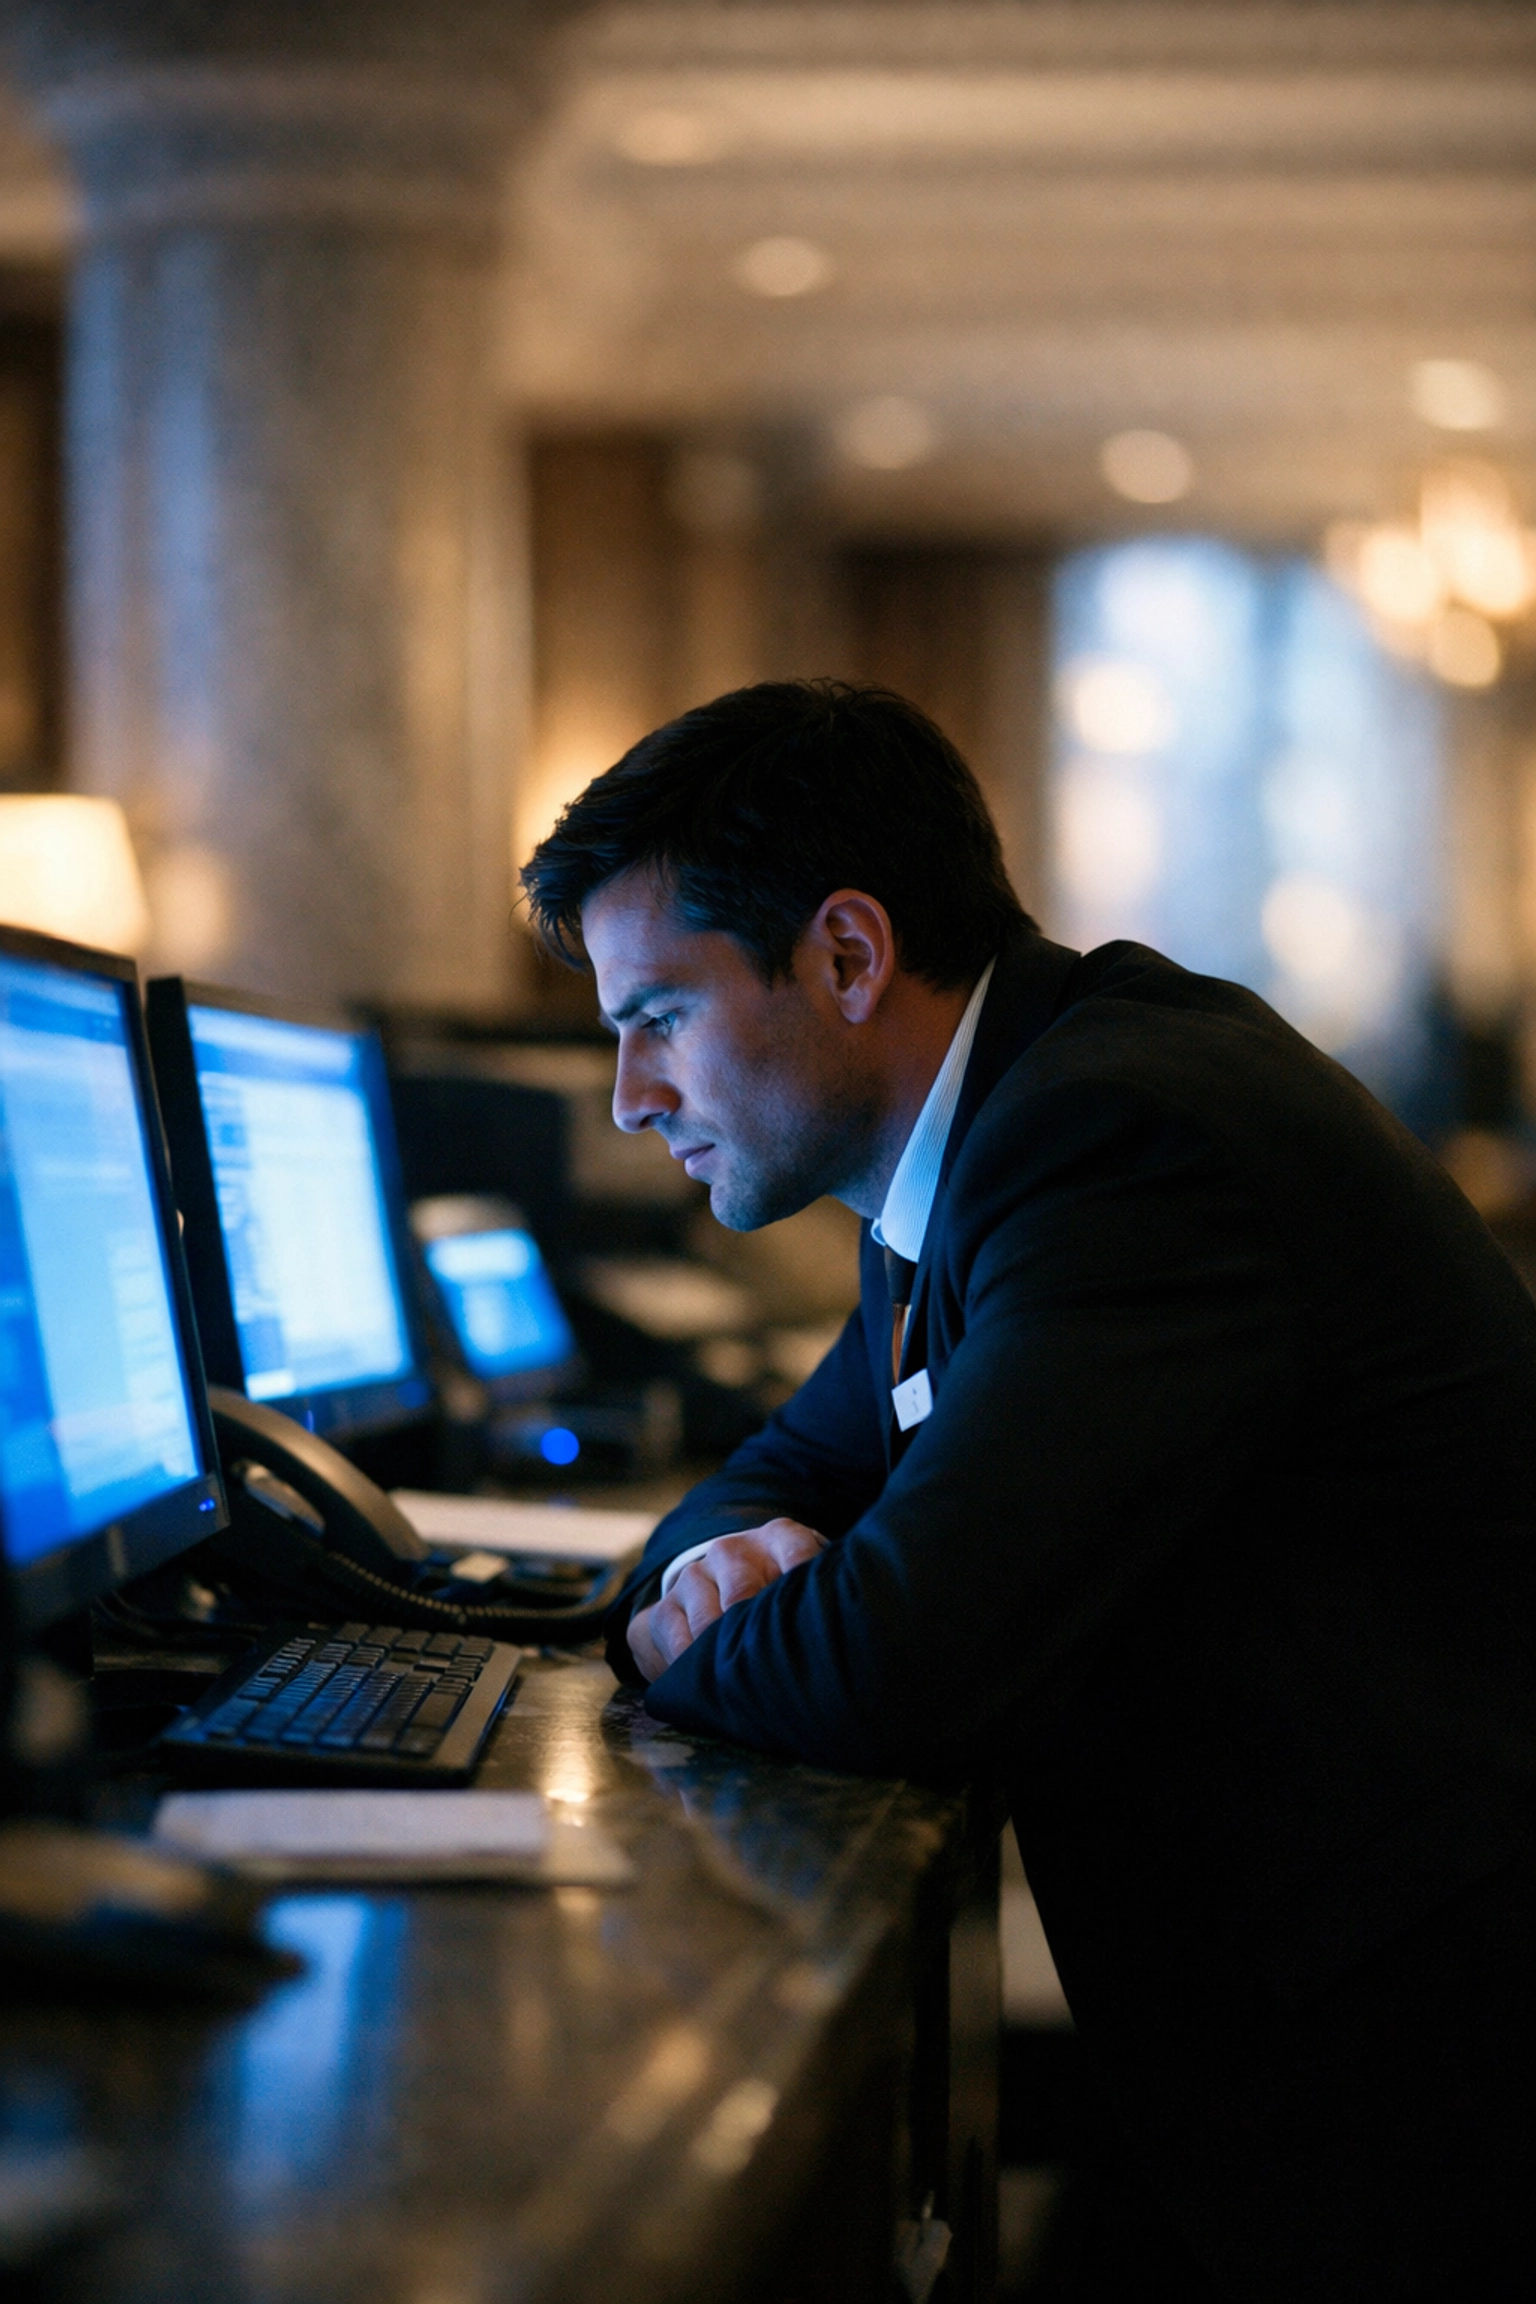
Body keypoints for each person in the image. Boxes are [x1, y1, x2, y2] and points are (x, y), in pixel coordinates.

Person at [521, 679, 1534, 2304]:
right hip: (1305, 1993)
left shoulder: (1121, 1134)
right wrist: (722, 1569)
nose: (634, 1097)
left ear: (848, 957)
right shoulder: (992, 1129)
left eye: (659, 1018)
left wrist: (671, 1641)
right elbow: (770, 1480)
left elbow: (895, 1662)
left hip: (1435, 2038)